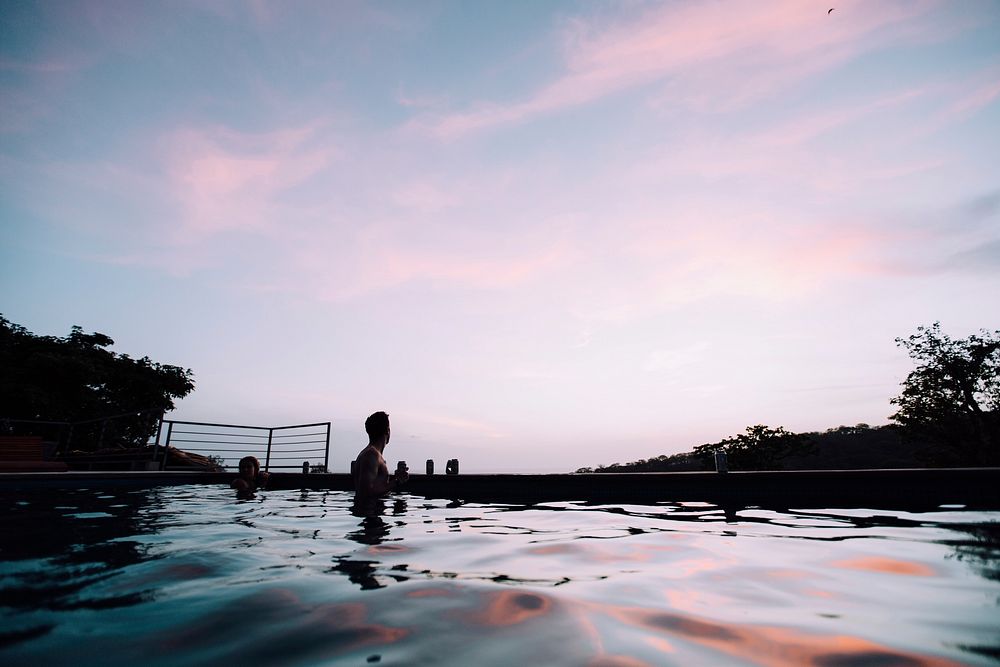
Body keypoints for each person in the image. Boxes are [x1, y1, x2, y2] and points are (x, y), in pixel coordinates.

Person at [354, 411, 408, 497]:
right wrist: (396, 481)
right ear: (387, 431)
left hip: (373, 509)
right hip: (369, 509)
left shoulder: (372, 455)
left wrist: (395, 479)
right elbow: (366, 492)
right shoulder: (371, 455)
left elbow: (375, 486)